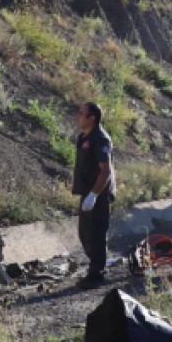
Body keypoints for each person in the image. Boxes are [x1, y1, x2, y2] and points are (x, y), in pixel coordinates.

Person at [72, 101, 115, 289]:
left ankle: (97, 273)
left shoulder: (101, 139)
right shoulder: (84, 137)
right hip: (87, 192)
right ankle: (96, 265)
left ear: (92, 118)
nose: (78, 116)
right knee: (85, 233)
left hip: (99, 193)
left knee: (96, 233)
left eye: (81, 114)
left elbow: (105, 171)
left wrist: (94, 195)